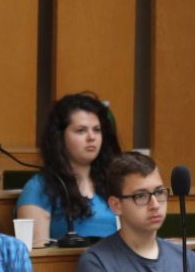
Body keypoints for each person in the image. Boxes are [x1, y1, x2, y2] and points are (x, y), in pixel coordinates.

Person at [74, 151, 195, 272]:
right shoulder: (96, 261)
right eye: (141, 196)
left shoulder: (186, 258)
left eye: (159, 192)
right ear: (116, 205)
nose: (155, 205)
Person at [16, 91, 121, 247]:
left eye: (97, 130)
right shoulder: (39, 188)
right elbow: (37, 255)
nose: (91, 137)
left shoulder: (115, 181)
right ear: (59, 137)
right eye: (81, 130)